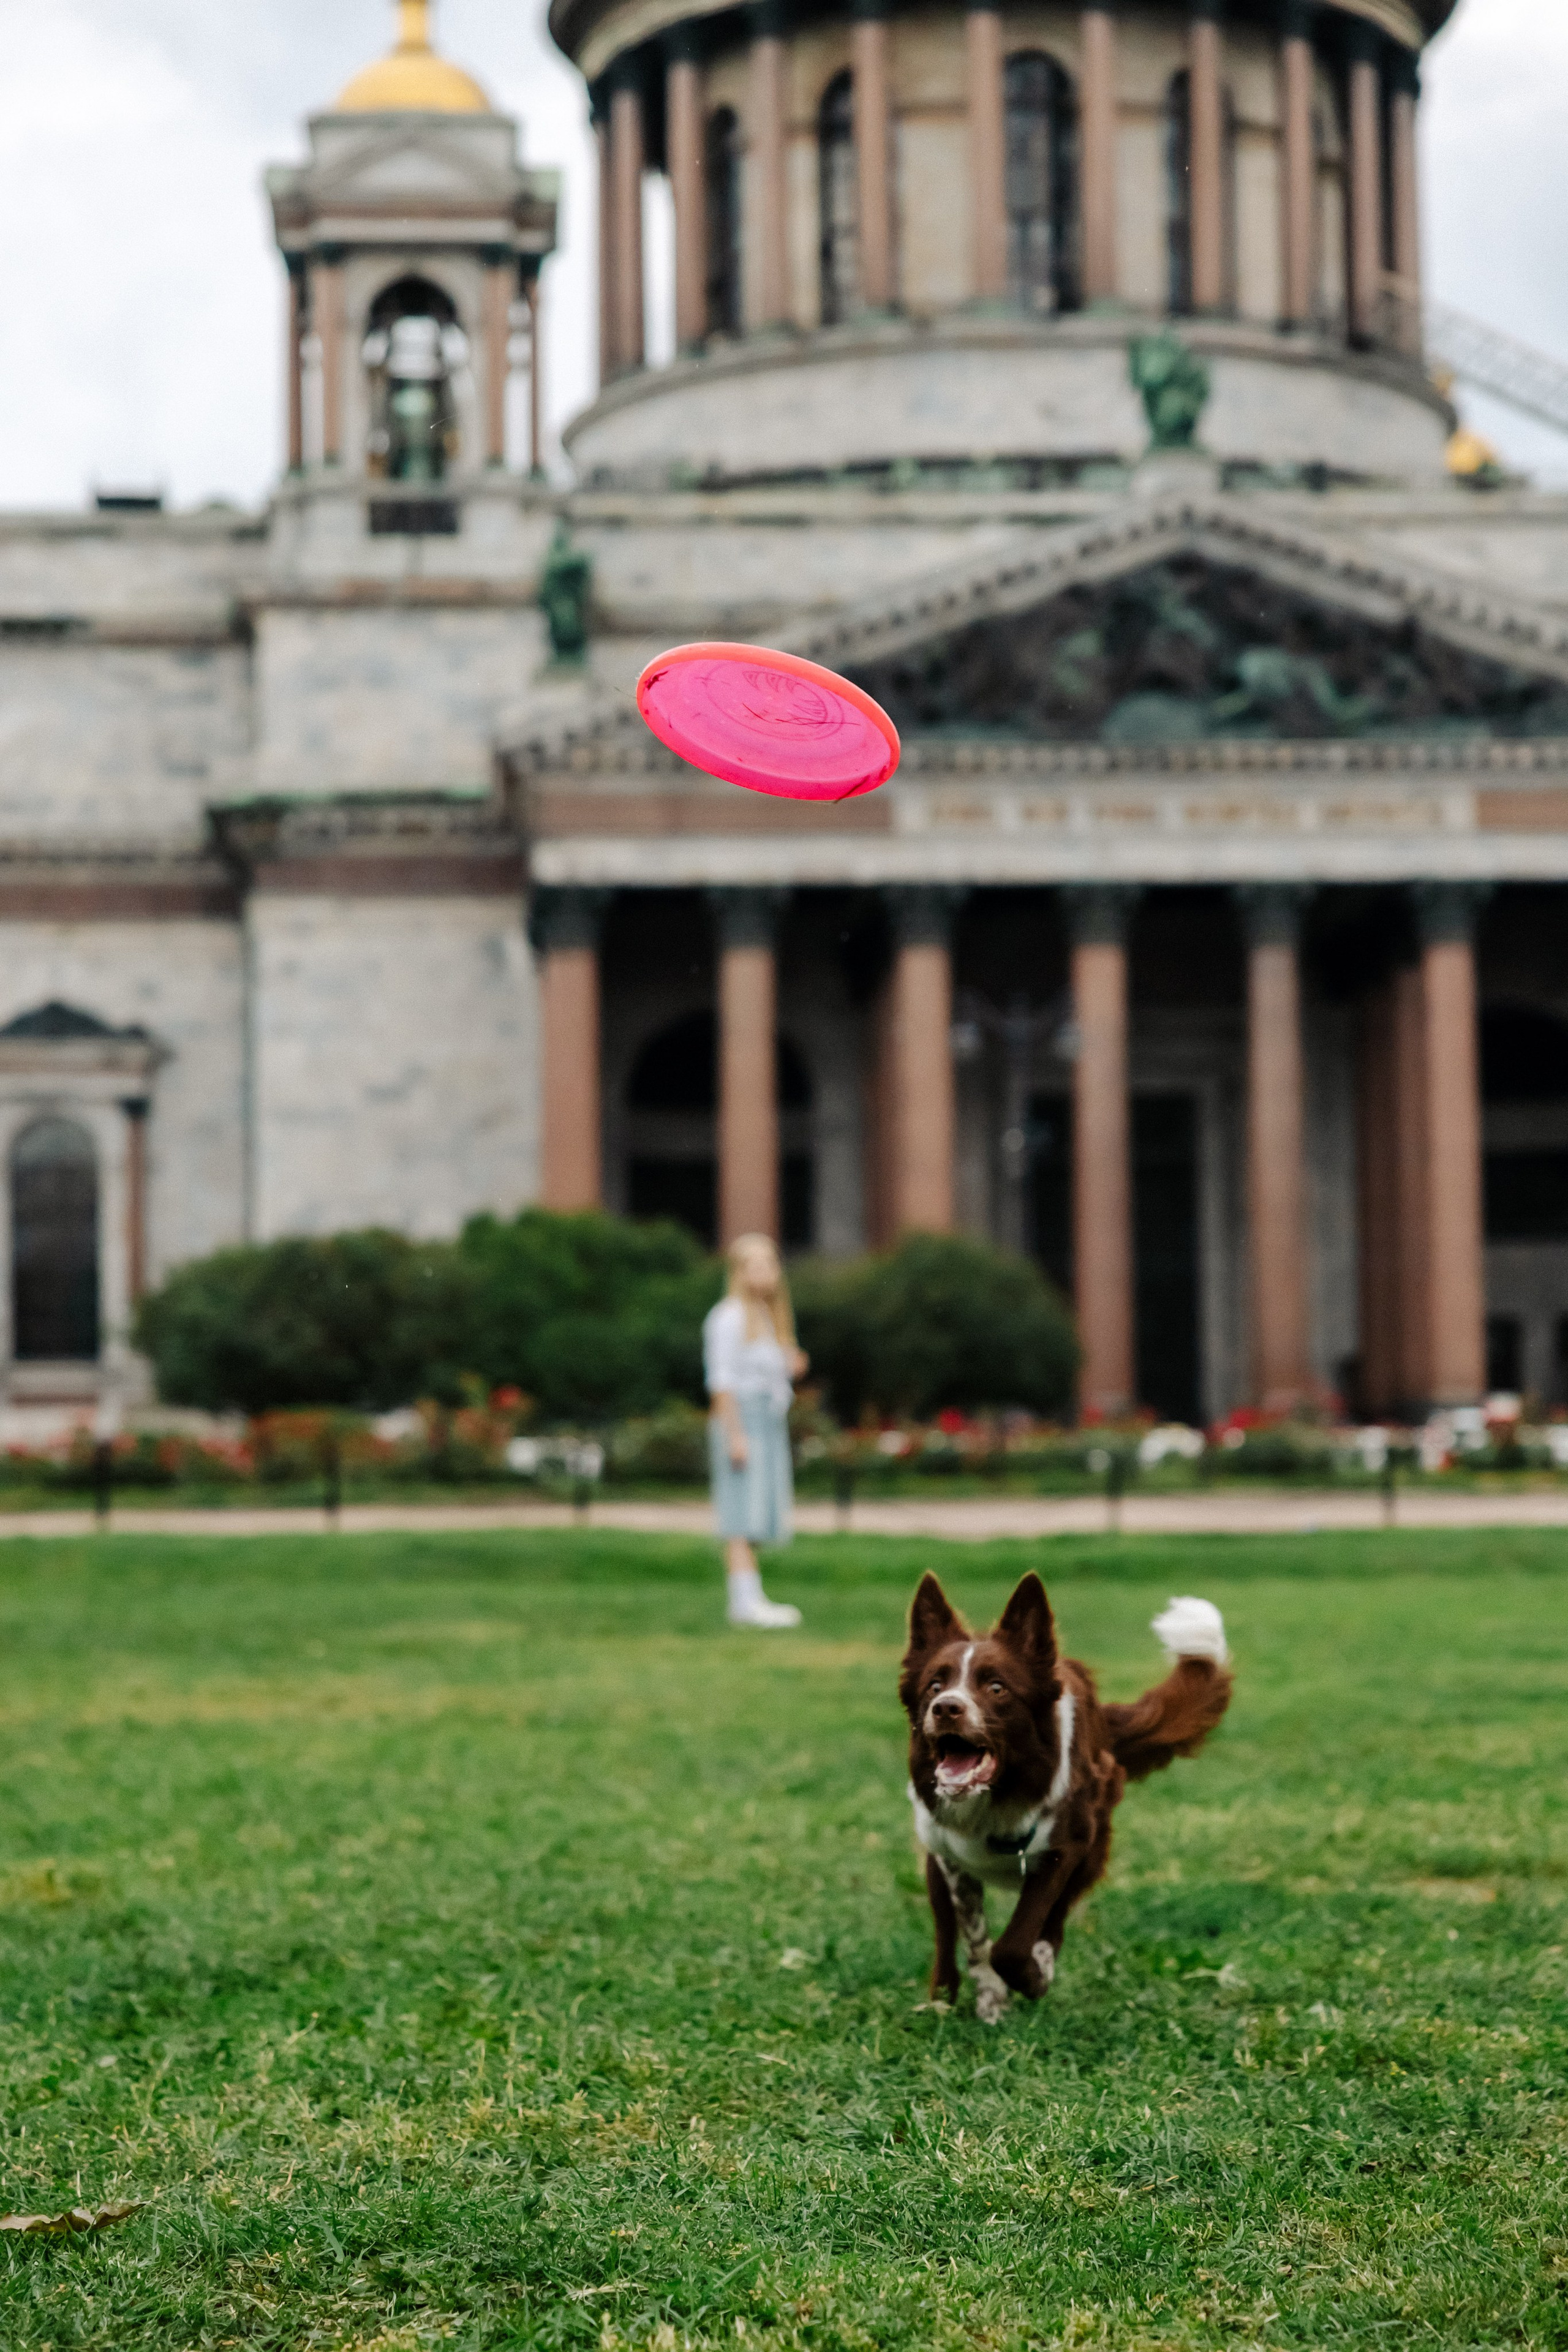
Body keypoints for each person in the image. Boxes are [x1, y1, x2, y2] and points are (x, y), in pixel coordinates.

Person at [703, 1232, 807, 1627]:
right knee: (741, 1514)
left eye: (770, 1263)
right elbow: (722, 1382)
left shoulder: (766, 1318)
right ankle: (744, 1603)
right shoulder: (728, 1317)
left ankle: (751, 1595)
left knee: (760, 1514)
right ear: (740, 1271)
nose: (765, 1272)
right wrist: (735, 1435)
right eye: (756, 1265)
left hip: (768, 1421)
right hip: (742, 1421)